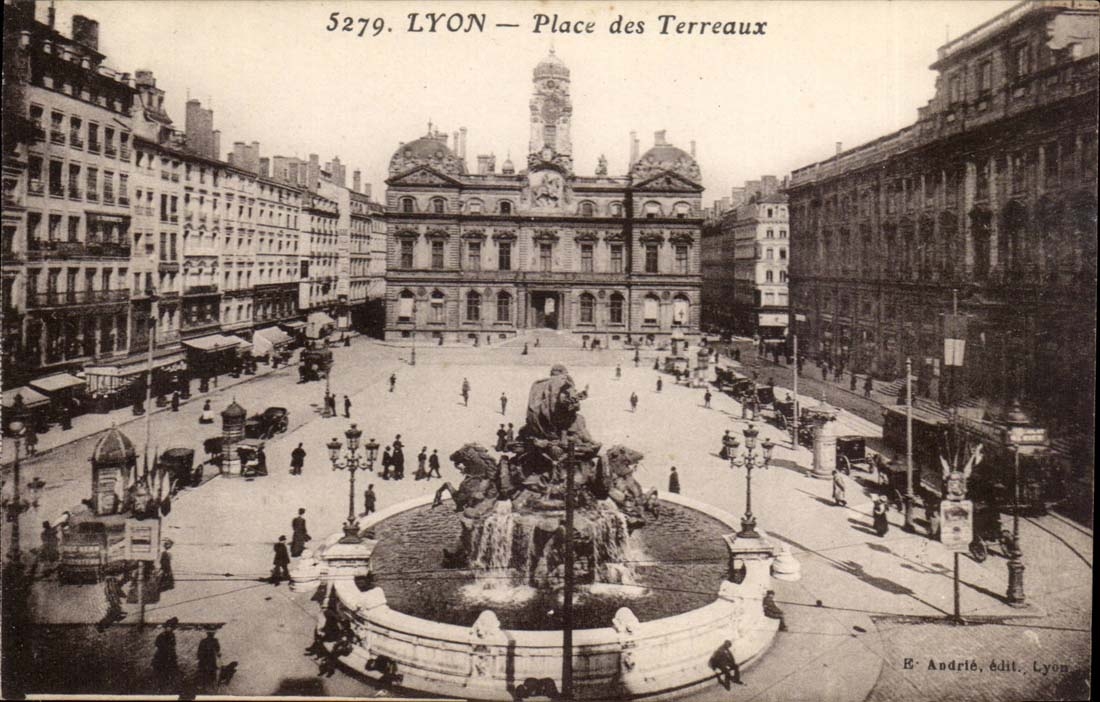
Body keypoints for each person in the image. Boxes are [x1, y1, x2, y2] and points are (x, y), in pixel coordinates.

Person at [152, 617, 180, 688]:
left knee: (166, 675)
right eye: (170, 627)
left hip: (166, 657)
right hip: (163, 657)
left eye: (172, 627)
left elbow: (171, 646)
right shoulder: (163, 635)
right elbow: (158, 644)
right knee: (163, 674)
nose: (170, 629)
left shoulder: (170, 635)